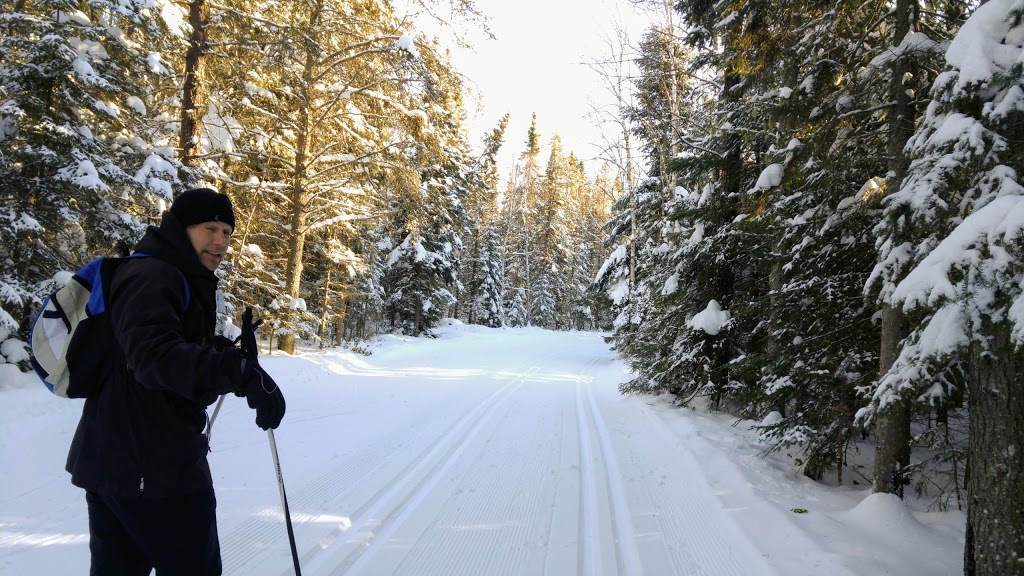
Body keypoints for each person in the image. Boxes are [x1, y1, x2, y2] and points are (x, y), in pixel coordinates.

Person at [65, 187, 287, 575]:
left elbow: (174, 341)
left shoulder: (171, 273)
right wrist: (236, 373)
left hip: (123, 462)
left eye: (227, 232)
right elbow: (154, 358)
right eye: (209, 228)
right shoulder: (153, 275)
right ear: (181, 229)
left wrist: (236, 361)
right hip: (153, 470)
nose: (220, 241)